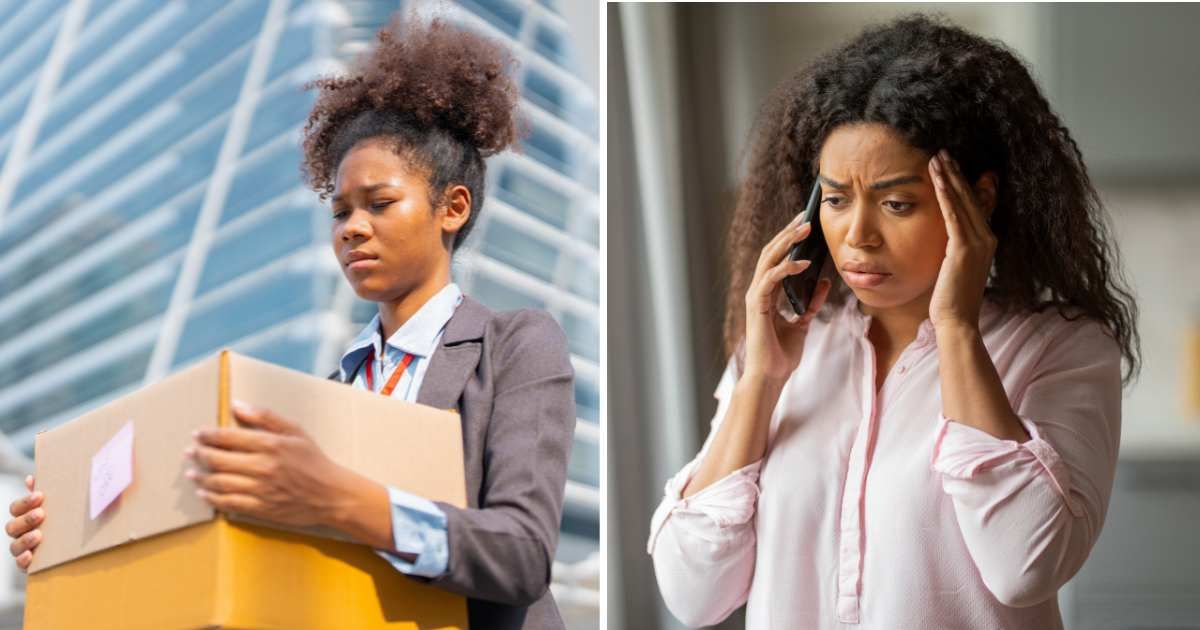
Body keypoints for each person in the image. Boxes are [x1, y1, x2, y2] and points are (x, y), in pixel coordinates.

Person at [7, 15, 576, 630]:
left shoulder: (514, 344)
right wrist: (69, 543)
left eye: (380, 203)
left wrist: (339, 498)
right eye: (340, 212)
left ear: (452, 207)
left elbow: (523, 554)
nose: (352, 229)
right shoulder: (328, 395)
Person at [647, 13, 1139, 630]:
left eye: (897, 203)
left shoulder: (1061, 349)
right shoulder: (784, 349)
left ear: (979, 199)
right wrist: (760, 383)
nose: (858, 235)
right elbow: (692, 594)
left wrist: (956, 330)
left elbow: (1025, 566)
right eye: (835, 199)